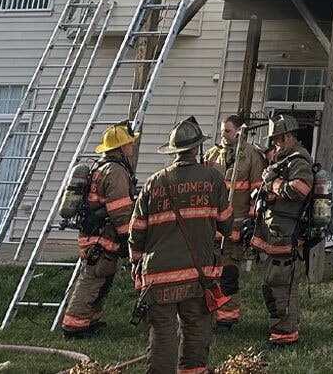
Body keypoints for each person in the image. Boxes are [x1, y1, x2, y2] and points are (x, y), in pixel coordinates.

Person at [129, 117, 231, 374]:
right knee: (196, 328)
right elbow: (227, 225)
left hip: (159, 277)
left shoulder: (154, 182)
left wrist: (135, 262)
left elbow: (137, 230)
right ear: (196, 148)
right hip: (198, 275)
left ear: (174, 150)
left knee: (163, 332)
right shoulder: (213, 179)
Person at [62, 120, 139, 339]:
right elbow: (120, 210)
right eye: (129, 144)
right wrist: (128, 238)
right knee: (92, 278)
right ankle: (73, 326)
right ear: (120, 148)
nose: (132, 147)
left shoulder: (102, 167)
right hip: (102, 237)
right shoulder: (114, 171)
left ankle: (89, 320)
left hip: (97, 234)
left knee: (102, 279)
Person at [249, 114, 313, 348]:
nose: (275, 143)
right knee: (272, 282)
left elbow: (300, 190)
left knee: (280, 283)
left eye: (277, 139)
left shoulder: (299, 161)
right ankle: (281, 328)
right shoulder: (284, 159)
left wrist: (273, 183)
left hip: (287, 232)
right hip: (276, 231)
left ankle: (285, 334)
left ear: (288, 137)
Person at [204, 113, 265, 330]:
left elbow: (257, 193)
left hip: (235, 228)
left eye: (228, 131)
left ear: (239, 131)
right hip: (212, 228)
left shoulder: (251, 157)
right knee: (211, 273)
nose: (224, 135)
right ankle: (209, 313)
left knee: (229, 273)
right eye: (222, 131)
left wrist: (250, 224)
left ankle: (227, 319)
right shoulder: (212, 155)